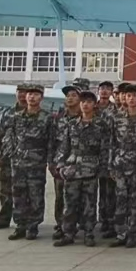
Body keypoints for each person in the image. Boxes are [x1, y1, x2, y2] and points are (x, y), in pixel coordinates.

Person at [53, 89, 108, 247]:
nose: (85, 105)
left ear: (94, 105)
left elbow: (104, 148)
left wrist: (103, 168)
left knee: (89, 205)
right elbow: (64, 147)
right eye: (83, 102)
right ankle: (68, 233)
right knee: (70, 204)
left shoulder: (100, 125)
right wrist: (60, 165)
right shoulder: (71, 125)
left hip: (91, 169)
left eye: (89, 102)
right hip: (72, 170)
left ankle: (89, 233)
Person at [4, 83, 54, 241]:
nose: (32, 97)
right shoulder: (16, 117)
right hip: (18, 163)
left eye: (36, 94)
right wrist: (11, 154)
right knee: (18, 194)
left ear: (41, 98)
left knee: (35, 195)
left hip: (36, 163)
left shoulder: (47, 118)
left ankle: (33, 226)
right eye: (29, 94)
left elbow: (51, 141)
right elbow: (9, 136)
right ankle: (20, 225)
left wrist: (49, 160)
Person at [109, 83, 136, 248]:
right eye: (128, 96)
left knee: (135, 201)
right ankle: (121, 233)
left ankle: (133, 232)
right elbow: (112, 143)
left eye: (134, 95)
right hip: (120, 164)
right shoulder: (117, 118)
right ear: (124, 97)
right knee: (120, 199)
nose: (131, 99)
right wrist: (111, 165)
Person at [0, 84, 27, 230]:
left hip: (26, 160)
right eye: (19, 92)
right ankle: (4, 219)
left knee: (24, 192)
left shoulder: (34, 113)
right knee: (5, 190)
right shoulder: (7, 113)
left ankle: (24, 221)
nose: (22, 95)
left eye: (25, 92)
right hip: (7, 157)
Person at [49, 83, 82, 241]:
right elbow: (51, 141)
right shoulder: (58, 118)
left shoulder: (86, 117)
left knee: (78, 196)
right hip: (61, 162)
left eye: (74, 95)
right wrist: (51, 162)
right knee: (60, 196)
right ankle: (61, 225)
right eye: (68, 96)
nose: (70, 98)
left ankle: (77, 224)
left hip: (79, 163)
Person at [95, 80, 117, 238]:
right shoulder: (90, 107)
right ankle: (87, 220)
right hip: (90, 156)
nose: (104, 91)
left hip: (107, 155)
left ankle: (107, 220)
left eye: (108, 89)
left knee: (108, 191)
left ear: (111, 92)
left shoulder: (116, 110)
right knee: (89, 191)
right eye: (102, 88)